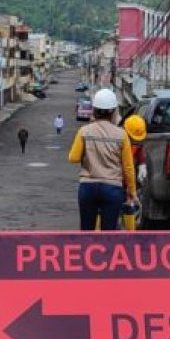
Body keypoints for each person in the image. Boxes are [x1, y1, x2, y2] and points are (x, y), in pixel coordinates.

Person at [68, 88, 135, 231]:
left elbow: (73, 157)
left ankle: (87, 252)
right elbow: (128, 167)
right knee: (108, 234)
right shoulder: (122, 135)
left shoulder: (84, 131)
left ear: (94, 110)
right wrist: (132, 192)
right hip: (113, 189)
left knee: (87, 231)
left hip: (88, 188)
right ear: (113, 111)